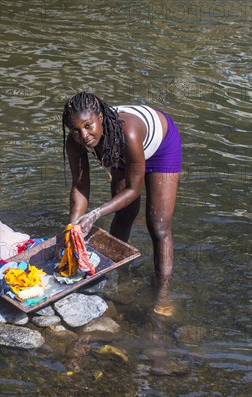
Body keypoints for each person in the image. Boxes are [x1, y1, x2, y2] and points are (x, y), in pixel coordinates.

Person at [62, 91, 182, 316]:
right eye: (76, 131)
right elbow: (80, 187)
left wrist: (95, 214)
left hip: (161, 147)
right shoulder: (76, 141)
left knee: (158, 225)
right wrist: (73, 227)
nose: (84, 135)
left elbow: (133, 189)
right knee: (125, 213)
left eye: (88, 126)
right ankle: (114, 276)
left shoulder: (129, 131)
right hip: (117, 149)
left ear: (100, 116)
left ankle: (163, 294)